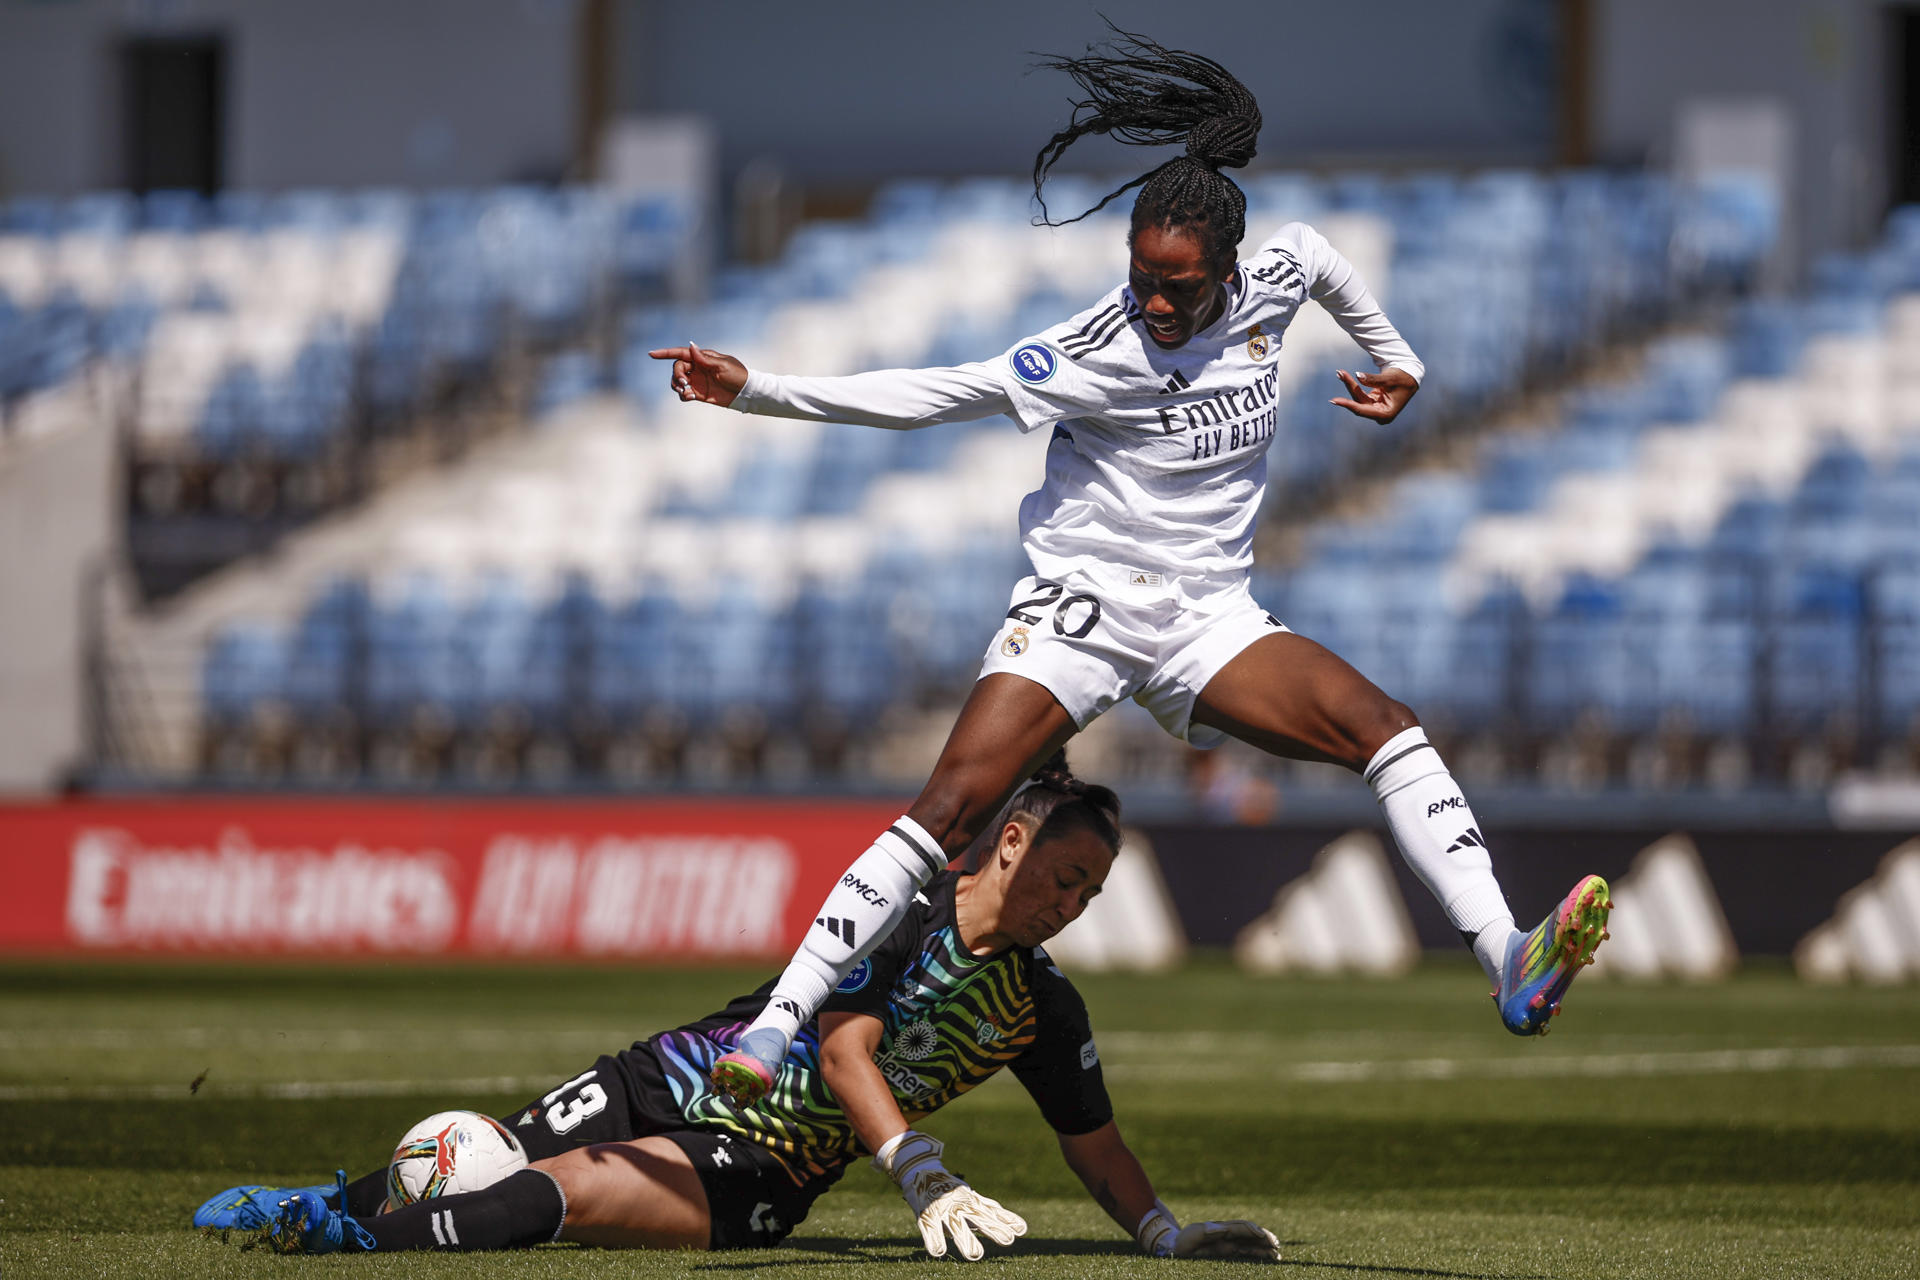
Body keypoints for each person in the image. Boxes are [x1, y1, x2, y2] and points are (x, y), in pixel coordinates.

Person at [650, 28, 1611, 1107]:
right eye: (1140, 277)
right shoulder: (1093, 350)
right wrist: (759, 387)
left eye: (1176, 285)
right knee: (954, 804)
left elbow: (1329, 266)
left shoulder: (1277, 273)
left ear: (1228, 271)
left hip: (1209, 616)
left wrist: (1400, 362)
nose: (1153, 301)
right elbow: (937, 392)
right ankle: (780, 1021)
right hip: (1083, 608)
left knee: (1383, 725)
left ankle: (1507, 957)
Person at [192, 759, 1281, 1263]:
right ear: (1012, 840)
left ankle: (353, 1246)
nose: (1073, 902)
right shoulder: (900, 906)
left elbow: (1094, 1141)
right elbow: (847, 1043)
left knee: (566, 1188)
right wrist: (917, 1168)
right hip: (678, 1069)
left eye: (1092, 891)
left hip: (762, 1165)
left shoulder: (1039, 1005)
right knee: (494, 1140)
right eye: (1068, 872)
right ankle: (323, 1201)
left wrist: (1164, 1232)